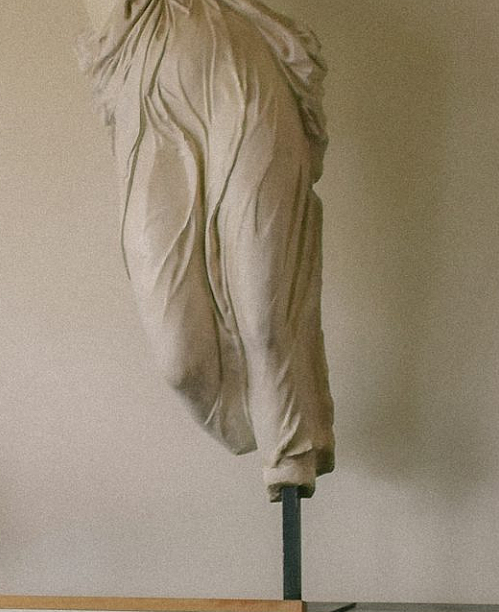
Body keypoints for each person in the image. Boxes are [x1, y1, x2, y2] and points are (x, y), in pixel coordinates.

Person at [81, 0, 337, 500]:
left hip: (245, 73)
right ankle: (264, 419)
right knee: (179, 359)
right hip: (145, 87)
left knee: (263, 309)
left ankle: (288, 451)